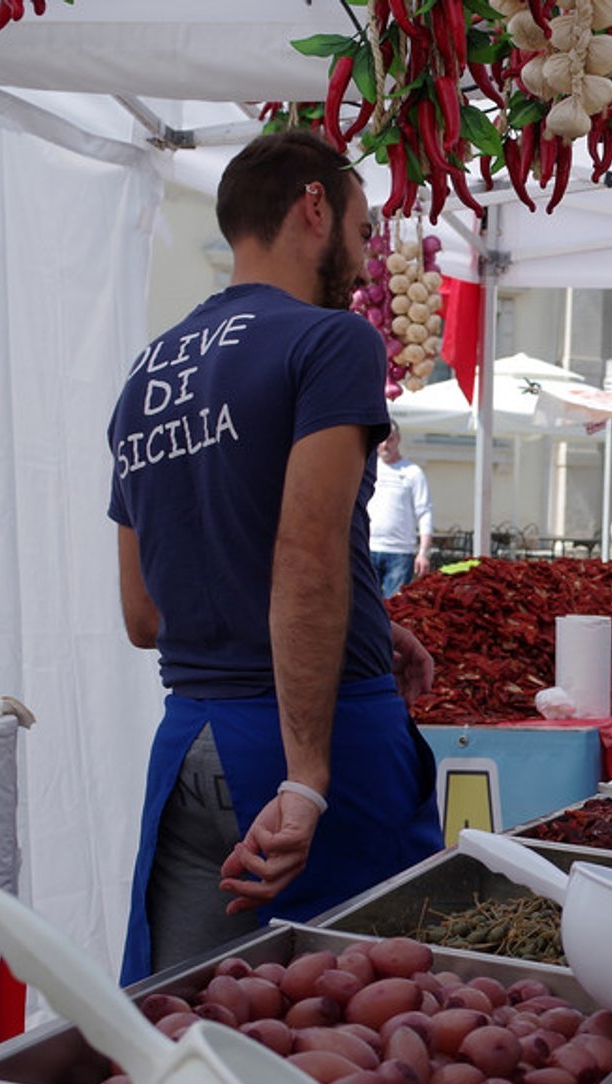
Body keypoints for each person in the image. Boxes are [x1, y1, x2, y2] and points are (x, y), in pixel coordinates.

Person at [108, 130, 444, 982]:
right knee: (370, 1023)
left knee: (177, 1027)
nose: (368, 263)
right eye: (366, 233)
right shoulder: (332, 342)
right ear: (314, 206)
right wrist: (306, 777)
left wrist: (366, 620)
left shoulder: (144, 377)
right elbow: (305, 553)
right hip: (318, 744)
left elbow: (145, 616)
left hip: (191, 746)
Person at [367, 423, 433, 597]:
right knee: (365, 607)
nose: (385, 445)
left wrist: (423, 552)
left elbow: (424, 512)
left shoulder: (413, 472)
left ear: (398, 440)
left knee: (394, 610)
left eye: (390, 439)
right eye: (381, 440)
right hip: (368, 548)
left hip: (400, 553)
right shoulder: (368, 468)